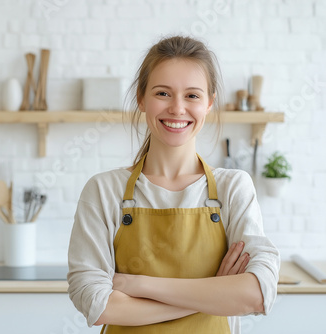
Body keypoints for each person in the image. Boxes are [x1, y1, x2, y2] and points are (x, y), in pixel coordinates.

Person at [67, 35, 280, 334]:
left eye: (192, 95)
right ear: (142, 98)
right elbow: (97, 304)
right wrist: (216, 292)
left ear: (209, 103)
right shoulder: (104, 191)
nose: (177, 109)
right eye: (163, 93)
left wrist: (137, 284)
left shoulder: (234, 188)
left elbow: (258, 294)